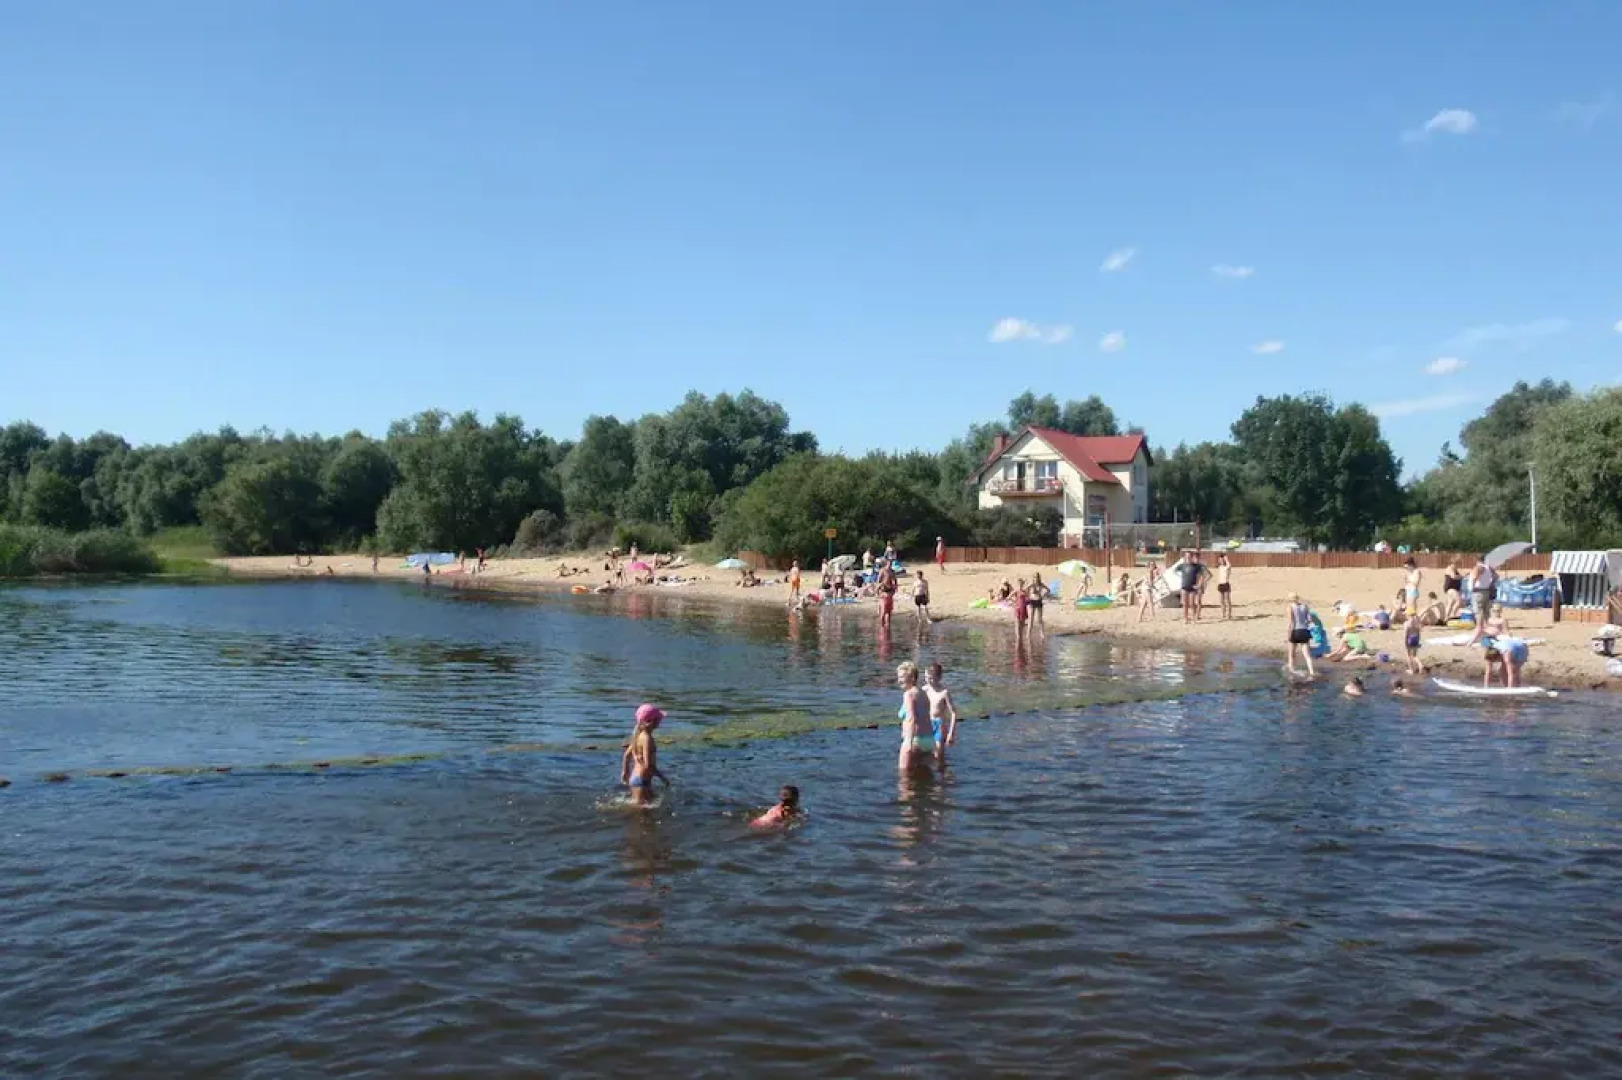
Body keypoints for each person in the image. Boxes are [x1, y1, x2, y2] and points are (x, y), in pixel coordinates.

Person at [620, 703, 671, 805]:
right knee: (641, 814)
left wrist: (625, 772)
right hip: (641, 781)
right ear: (652, 722)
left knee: (645, 809)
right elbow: (648, 765)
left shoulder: (638, 736)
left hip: (636, 778)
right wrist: (662, 777)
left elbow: (626, 756)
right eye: (658, 719)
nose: (660, 722)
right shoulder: (647, 739)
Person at [895, 662, 935, 771]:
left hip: (914, 740)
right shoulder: (923, 693)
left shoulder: (908, 694)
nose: (899, 680)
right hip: (929, 740)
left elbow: (911, 718)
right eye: (898, 677)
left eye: (902, 677)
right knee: (925, 778)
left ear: (912, 678)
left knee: (905, 779)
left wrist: (908, 742)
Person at [924, 662, 958, 760]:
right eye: (926, 677)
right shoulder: (924, 690)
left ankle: (942, 772)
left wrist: (951, 733)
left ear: (938, 678)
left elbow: (953, 713)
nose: (928, 681)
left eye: (931, 678)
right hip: (927, 724)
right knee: (927, 754)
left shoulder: (944, 692)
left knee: (938, 756)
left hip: (939, 725)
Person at [1285, 593, 1316, 677]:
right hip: (1304, 630)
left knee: (1291, 653)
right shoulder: (1305, 606)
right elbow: (1309, 619)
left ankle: (1292, 670)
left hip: (1295, 631)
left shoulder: (1290, 607)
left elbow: (1291, 622)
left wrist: (1288, 634)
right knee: (1307, 654)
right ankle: (1312, 672)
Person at [1470, 553, 1498, 628]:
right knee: (1486, 610)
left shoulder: (1478, 567)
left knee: (1478, 610)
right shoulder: (1488, 568)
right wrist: (1490, 583)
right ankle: (1486, 625)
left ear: (1476, 559)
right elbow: (1496, 576)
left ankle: (1479, 627)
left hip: (1478, 591)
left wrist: (1472, 587)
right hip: (1487, 590)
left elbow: (1475, 577)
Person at [1178, 553, 1203, 623]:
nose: (1188, 558)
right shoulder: (1182, 565)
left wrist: (1199, 585)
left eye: (1189, 556)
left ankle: (1194, 618)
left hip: (1192, 587)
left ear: (1192, 557)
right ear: (1185, 557)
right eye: (1186, 556)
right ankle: (1185, 618)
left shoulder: (1196, 566)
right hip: (1184, 587)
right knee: (1185, 604)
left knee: (1192, 603)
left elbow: (1201, 576)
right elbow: (1174, 570)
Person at [1404, 610, 1425, 675]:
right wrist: (1418, 641)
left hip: (1410, 639)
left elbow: (1405, 634)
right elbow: (1418, 633)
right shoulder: (1417, 623)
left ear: (1408, 615)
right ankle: (1420, 665)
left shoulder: (1406, 623)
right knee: (1415, 655)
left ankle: (1411, 670)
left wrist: (1405, 643)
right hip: (1416, 638)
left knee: (1408, 655)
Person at [877, 562, 897, 629]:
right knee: (883, 611)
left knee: (889, 611)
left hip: (890, 592)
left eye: (891, 564)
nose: (890, 565)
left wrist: (894, 589)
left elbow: (895, 581)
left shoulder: (892, 571)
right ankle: (882, 626)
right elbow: (878, 581)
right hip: (883, 592)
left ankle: (888, 627)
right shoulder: (882, 570)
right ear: (886, 564)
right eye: (889, 563)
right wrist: (878, 592)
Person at [1215, 553, 1234, 620]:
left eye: (1222, 560)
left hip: (1226, 584)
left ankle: (1229, 615)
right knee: (1221, 601)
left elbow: (1229, 565)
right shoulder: (1219, 567)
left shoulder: (1227, 567)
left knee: (1227, 600)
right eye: (1219, 560)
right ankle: (1223, 614)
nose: (1220, 561)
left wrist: (1226, 558)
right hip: (1220, 584)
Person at [1012, 576, 1030, 640]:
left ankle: (1020, 635)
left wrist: (1027, 601)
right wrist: (1014, 602)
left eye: (1021, 584)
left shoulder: (1025, 591)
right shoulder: (1016, 591)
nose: (1020, 585)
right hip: (1018, 608)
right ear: (1017, 584)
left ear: (1023, 584)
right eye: (1019, 584)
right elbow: (1009, 597)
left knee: (1022, 623)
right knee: (1017, 623)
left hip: (1023, 608)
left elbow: (1028, 598)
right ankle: (1018, 637)